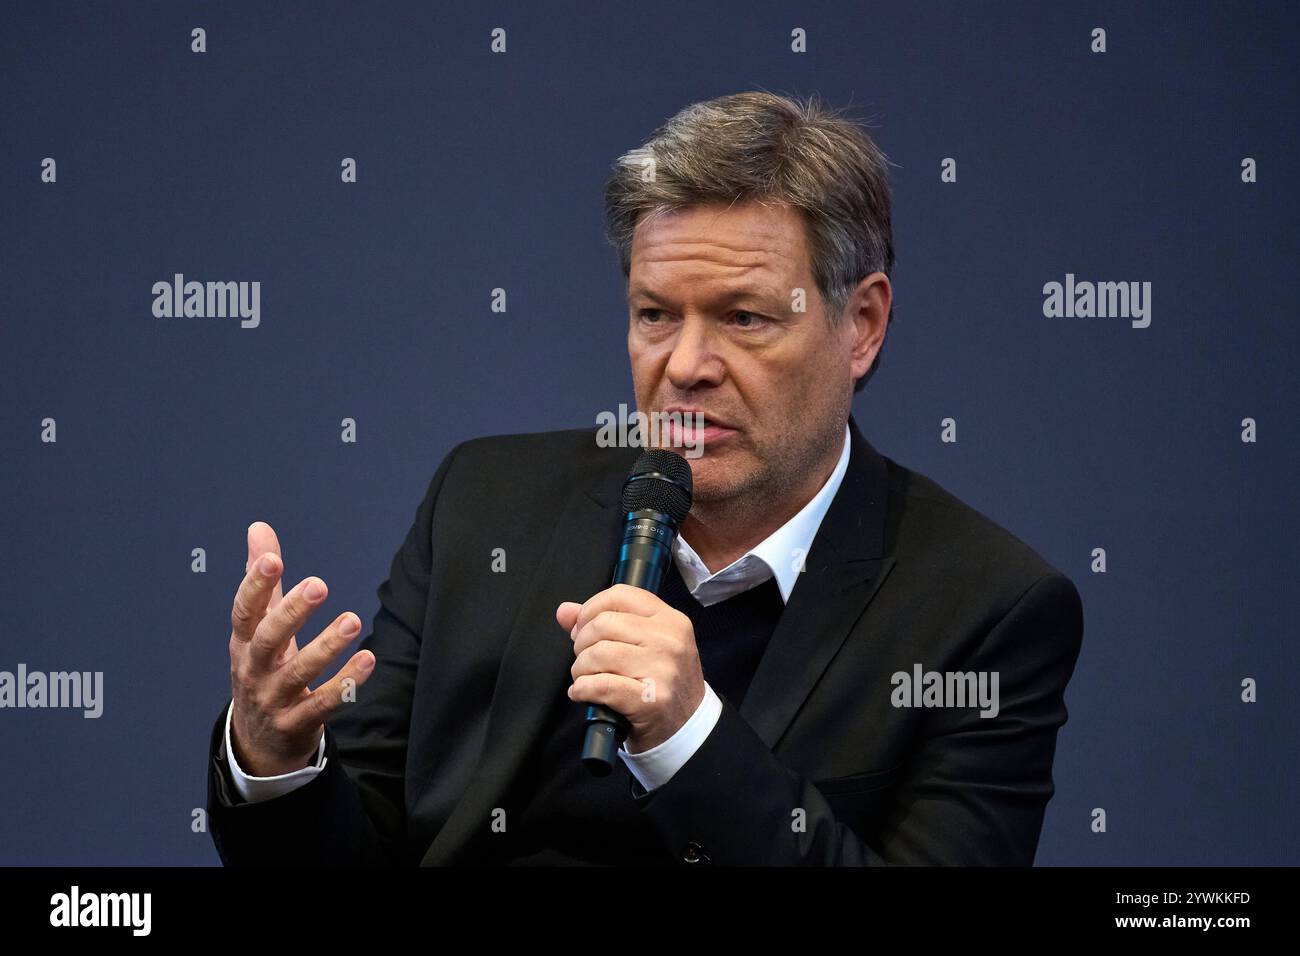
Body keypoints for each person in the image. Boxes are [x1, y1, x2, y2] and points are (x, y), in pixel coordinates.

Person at [206, 91, 1084, 866]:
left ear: (861, 325)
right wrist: (276, 761)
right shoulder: (484, 503)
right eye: (656, 316)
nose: (688, 365)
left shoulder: (985, 610)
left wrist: (692, 739)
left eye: (743, 318)